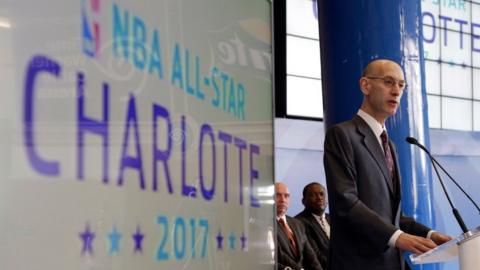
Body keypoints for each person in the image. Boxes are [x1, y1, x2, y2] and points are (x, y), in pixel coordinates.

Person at [323, 59, 453, 270]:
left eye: (401, 85)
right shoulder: (342, 135)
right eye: (388, 82)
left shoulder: (389, 144)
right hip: (358, 263)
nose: (396, 91)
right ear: (366, 85)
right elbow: (345, 202)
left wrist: (429, 234)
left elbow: (392, 215)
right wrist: (397, 237)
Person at [275, 182, 323, 270]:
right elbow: (274, 257)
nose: (283, 200)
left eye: (286, 196)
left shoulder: (297, 223)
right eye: (278, 195)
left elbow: (311, 257)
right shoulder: (264, 225)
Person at [295, 182, 330, 270]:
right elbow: (315, 254)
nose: (319, 198)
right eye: (313, 195)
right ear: (303, 201)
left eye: (322, 194)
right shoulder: (299, 222)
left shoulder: (335, 219)